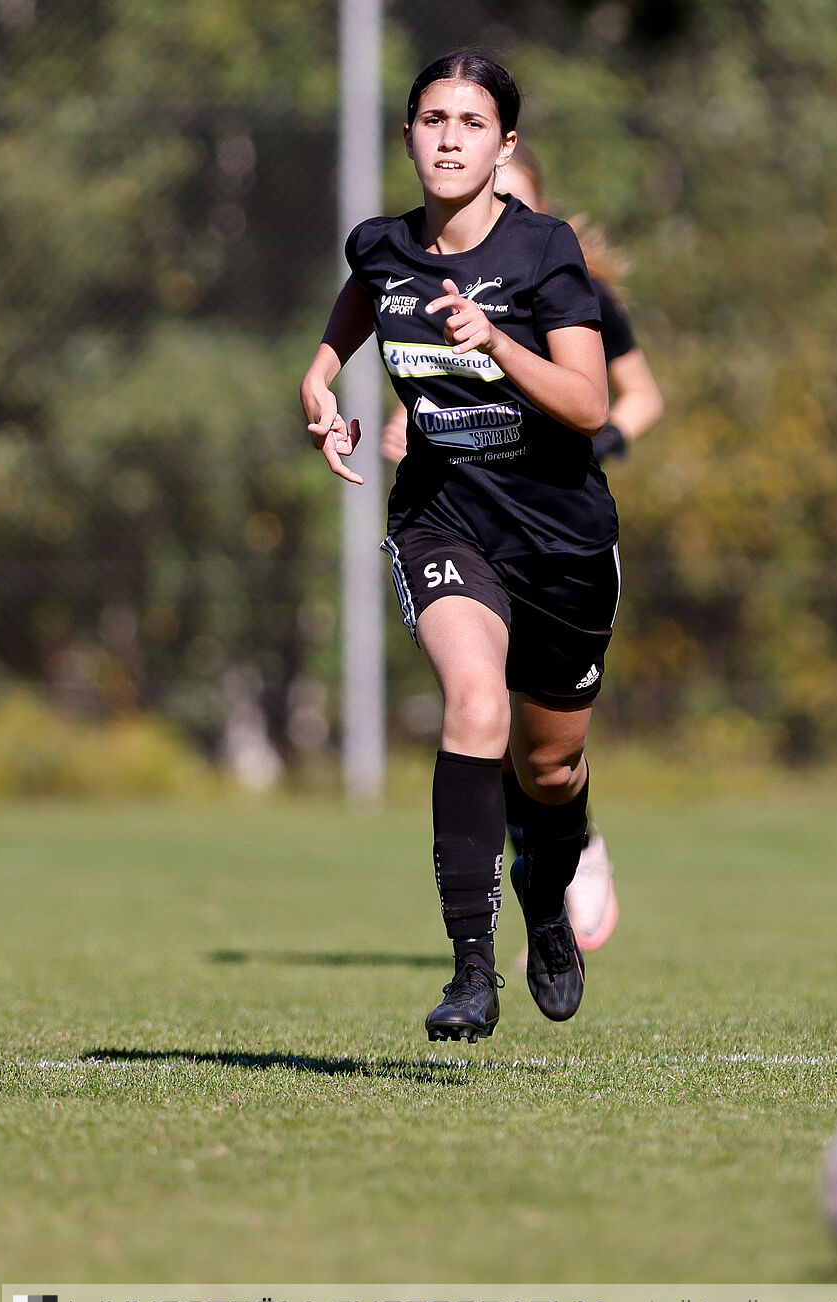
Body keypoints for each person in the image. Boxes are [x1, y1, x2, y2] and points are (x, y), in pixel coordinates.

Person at [301, 50, 618, 1043]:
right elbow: (365, 293)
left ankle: (548, 893)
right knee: (474, 702)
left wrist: (498, 344)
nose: (448, 137)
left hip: (561, 539)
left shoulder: (544, 254)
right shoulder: (383, 244)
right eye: (431, 119)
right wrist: (320, 380)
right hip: (442, 520)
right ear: (408, 136)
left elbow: (588, 400)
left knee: (552, 769)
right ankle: (471, 973)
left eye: (471, 123)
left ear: (504, 144)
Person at [380, 142, 662, 960]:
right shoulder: (429, 283)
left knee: (545, 747)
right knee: (479, 702)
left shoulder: (581, 292)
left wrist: (598, 437)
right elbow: (419, 382)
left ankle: (568, 839)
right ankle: (493, 918)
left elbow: (638, 394)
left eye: (509, 189)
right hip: (465, 520)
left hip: (561, 524)